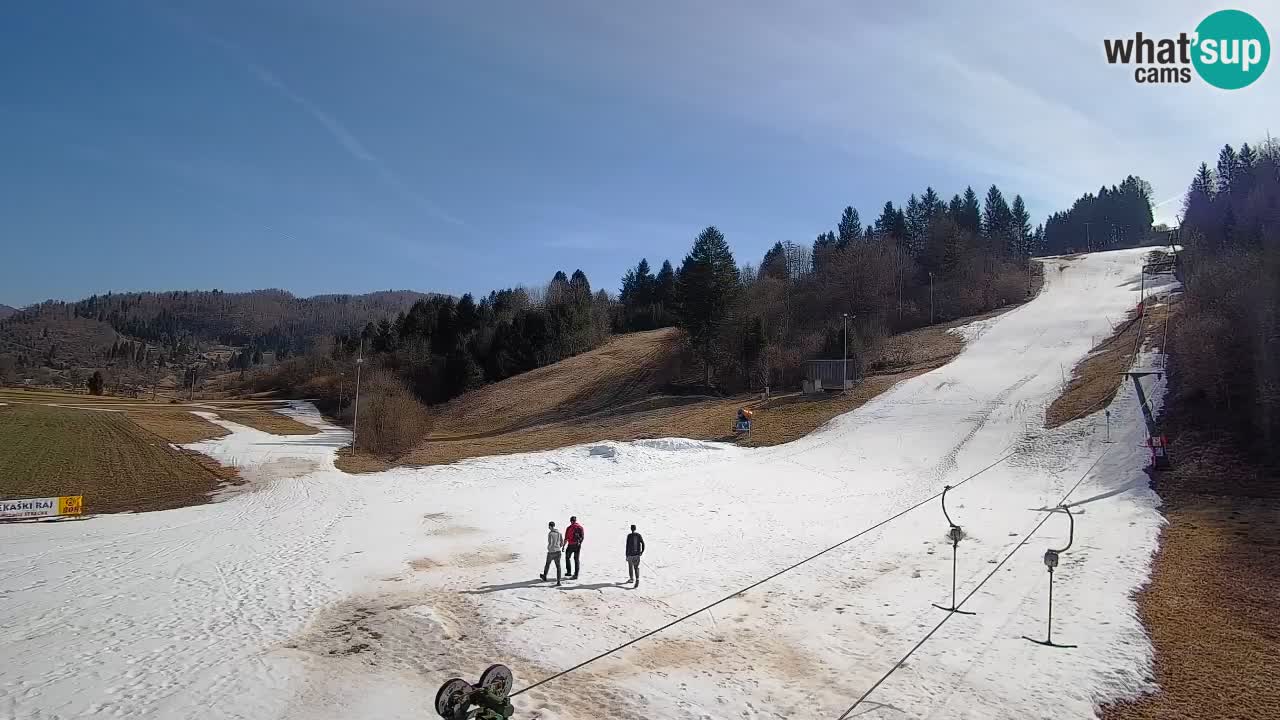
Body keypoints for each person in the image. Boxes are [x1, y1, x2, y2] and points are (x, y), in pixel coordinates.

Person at [540, 521, 563, 586]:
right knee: (558, 566)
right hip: (558, 551)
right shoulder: (559, 533)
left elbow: (550, 542)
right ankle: (558, 581)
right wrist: (558, 547)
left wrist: (549, 548)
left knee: (547, 564)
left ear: (550, 526)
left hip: (551, 552)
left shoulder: (550, 533)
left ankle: (544, 576)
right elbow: (562, 542)